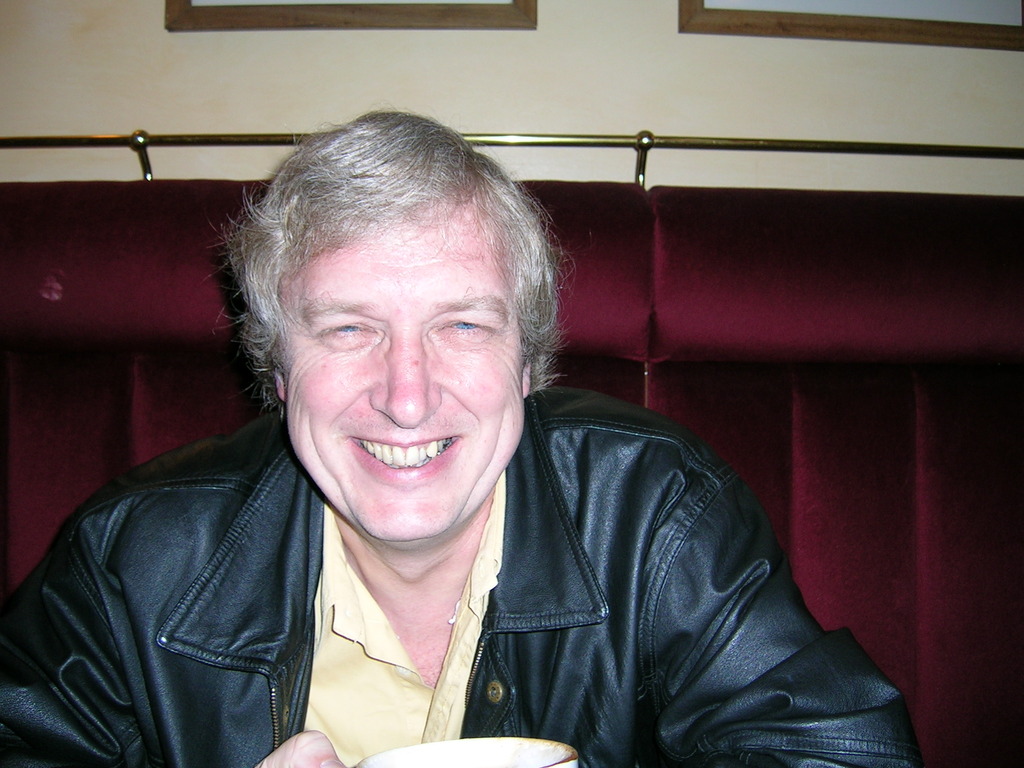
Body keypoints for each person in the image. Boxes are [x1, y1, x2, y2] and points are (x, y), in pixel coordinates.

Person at [0, 111, 921, 768]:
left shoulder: (653, 511)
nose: (407, 398)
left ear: (528, 365)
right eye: (348, 328)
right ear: (278, 374)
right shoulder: (131, 558)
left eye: (464, 326)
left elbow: (838, 750)